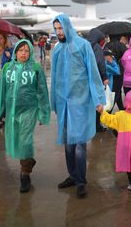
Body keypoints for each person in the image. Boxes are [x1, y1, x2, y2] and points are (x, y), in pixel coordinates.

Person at [51, 14, 106, 198]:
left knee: (80, 144)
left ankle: (82, 181)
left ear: (68, 26)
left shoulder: (83, 46)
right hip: (64, 103)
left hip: (81, 103)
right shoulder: (58, 49)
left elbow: (93, 73)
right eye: (56, 29)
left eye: (61, 28)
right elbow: (55, 79)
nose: (59, 32)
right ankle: (73, 176)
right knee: (68, 143)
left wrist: (98, 99)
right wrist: (54, 101)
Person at [0, 39, 50, 193]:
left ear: (30, 52)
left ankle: (25, 174)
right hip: (12, 111)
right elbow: (1, 91)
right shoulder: (7, 68)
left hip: (29, 110)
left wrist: (43, 112)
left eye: (27, 50)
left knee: (25, 141)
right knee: (15, 141)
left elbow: (42, 92)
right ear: (15, 52)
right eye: (20, 50)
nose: (23, 53)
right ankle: (29, 161)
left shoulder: (35, 68)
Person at [88, 28, 108, 132]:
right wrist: (104, 77)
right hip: (96, 78)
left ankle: (90, 125)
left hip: (85, 78)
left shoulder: (84, 46)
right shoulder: (97, 48)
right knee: (97, 101)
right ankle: (97, 126)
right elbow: (100, 63)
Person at [105, 35, 129, 111]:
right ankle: (110, 110)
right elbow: (127, 57)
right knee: (117, 91)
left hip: (110, 72)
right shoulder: (121, 45)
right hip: (119, 71)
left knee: (115, 90)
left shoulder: (107, 45)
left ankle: (121, 107)